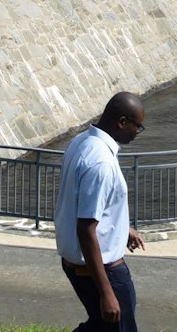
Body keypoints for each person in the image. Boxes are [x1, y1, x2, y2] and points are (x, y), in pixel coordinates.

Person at [53, 91, 147, 332]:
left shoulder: (81, 142)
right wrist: (107, 292)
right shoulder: (101, 163)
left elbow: (85, 204)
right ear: (122, 122)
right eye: (138, 127)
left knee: (100, 326)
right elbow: (85, 228)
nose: (138, 133)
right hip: (104, 270)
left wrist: (123, 228)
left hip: (76, 264)